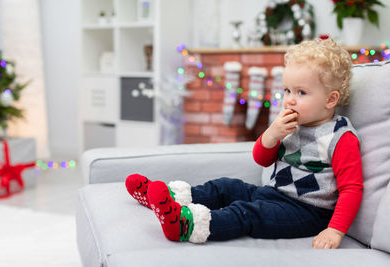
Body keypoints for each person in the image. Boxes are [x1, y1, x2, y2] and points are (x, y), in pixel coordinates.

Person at [125, 38, 363, 249]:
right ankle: (170, 198)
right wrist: (272, 134)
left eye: (301, 93)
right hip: (272, 193)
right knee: (226, 186)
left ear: (331, 99)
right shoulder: (291, 124)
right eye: (287, 90)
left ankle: (187, 226)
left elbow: (351, 189)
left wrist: (335, 230)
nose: (290, 100)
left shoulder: (340, 137)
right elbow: (262, 159)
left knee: (247, 214)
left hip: (308, 212)